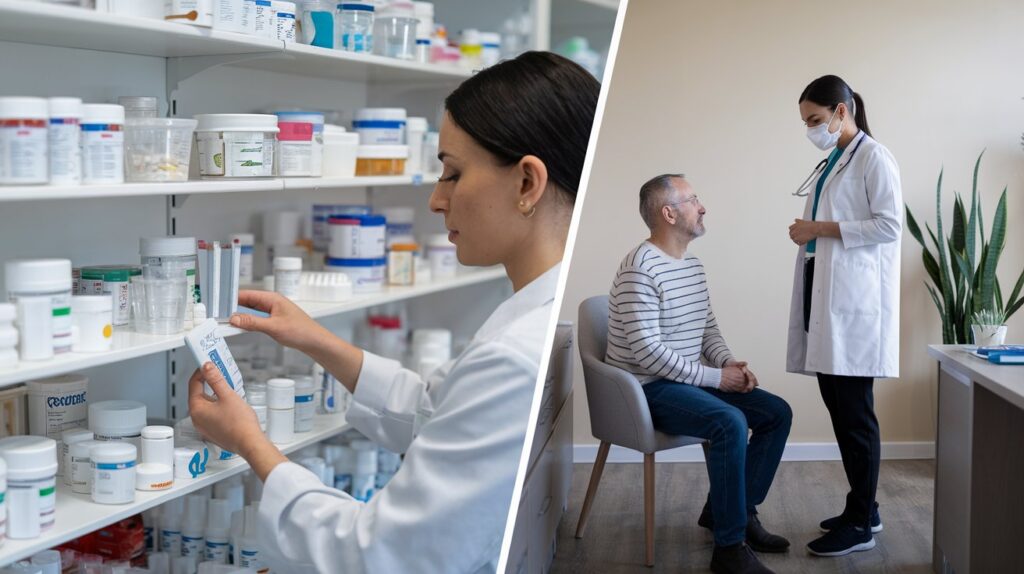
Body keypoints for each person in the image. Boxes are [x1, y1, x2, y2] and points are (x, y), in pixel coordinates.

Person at [186, 51, 599, 574]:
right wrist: (315, 339)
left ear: (526, 184)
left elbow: (379, 555)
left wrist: (249, 441)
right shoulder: (537, 315)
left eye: (452, 173)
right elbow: (438, 416)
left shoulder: (514, 356)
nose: (435, 199)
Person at [606, 174, 793, 574]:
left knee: (776, 412)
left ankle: (735, 513)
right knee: (729, 421)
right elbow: (648, 353)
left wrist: (728, 364)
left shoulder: (691, 266)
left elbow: (707, 328)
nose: (703, 207)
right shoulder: (640, 267)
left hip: (687, 380)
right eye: (694, 200)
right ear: (668, 213)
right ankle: (729, 549)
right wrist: (715, 379)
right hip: (648, 389)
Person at [786, 75, 902, 557]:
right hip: (824, 290)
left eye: (816, 119)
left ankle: (859, 524)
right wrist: (812, 233)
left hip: (854, 303)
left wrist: (818, 227)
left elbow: (890, 224)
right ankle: (864, 507)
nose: (812, 129)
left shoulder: (875, 156)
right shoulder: (836, 158)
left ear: (842, 109)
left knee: (856, 415)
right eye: (806, 122)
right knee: (839, 407)